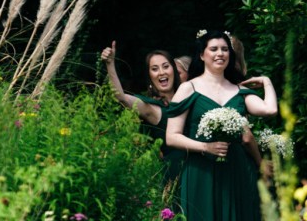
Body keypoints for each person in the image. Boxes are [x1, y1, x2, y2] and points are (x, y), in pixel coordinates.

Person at [166, 30, 278, 221]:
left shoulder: (239, 90)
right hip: (201, 170)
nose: (220, 53)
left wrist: (266, 82)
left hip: (236, 169)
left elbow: (270, 110)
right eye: (214, 49)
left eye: (225, 49)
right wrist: (205, 147)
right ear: (202, 55)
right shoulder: (188, 88)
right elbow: (171, 136)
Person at [101, 41, 184, 188]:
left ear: (174, 70)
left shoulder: (189, 100)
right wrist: (110, 64)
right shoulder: (153, 109)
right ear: (150, 76)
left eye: (166, 66)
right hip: (174, 177)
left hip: (199, 171)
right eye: (154, 69)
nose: (161, 72)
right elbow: (121, 97)